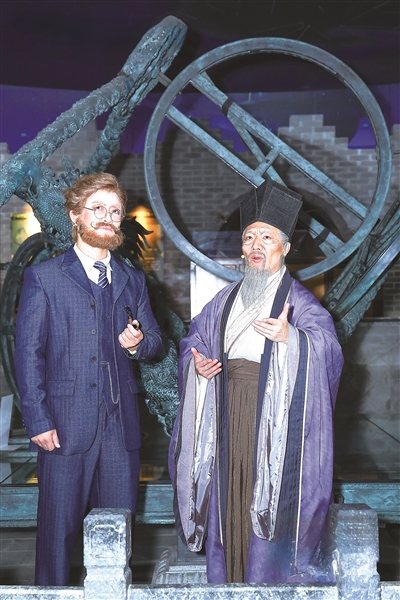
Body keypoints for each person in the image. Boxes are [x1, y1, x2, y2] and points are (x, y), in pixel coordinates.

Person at [169, 175, 344, 584]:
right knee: (228, 497)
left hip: (274, 424)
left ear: (285, 248)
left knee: (266, 502)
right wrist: (198, 366)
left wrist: (291, 339)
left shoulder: (300, 302)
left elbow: (329, 350)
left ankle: (265, 584)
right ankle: (229, 583)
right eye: (249, 238)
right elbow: (194, 339)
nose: (256, 245)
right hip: (226, 413)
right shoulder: (226, 299)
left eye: (267, 237)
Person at [15, 172, 162, 586]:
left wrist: (138, 345)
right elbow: (28, 354)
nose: (108, 217)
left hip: (120, 427)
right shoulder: (44, 277)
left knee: (117, 532)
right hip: (63, 426)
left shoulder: (132, 279)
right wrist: (38, 420)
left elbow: (155, 341)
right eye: (97, 208)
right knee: (58, 534)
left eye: (115, 211)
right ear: (74, 215)